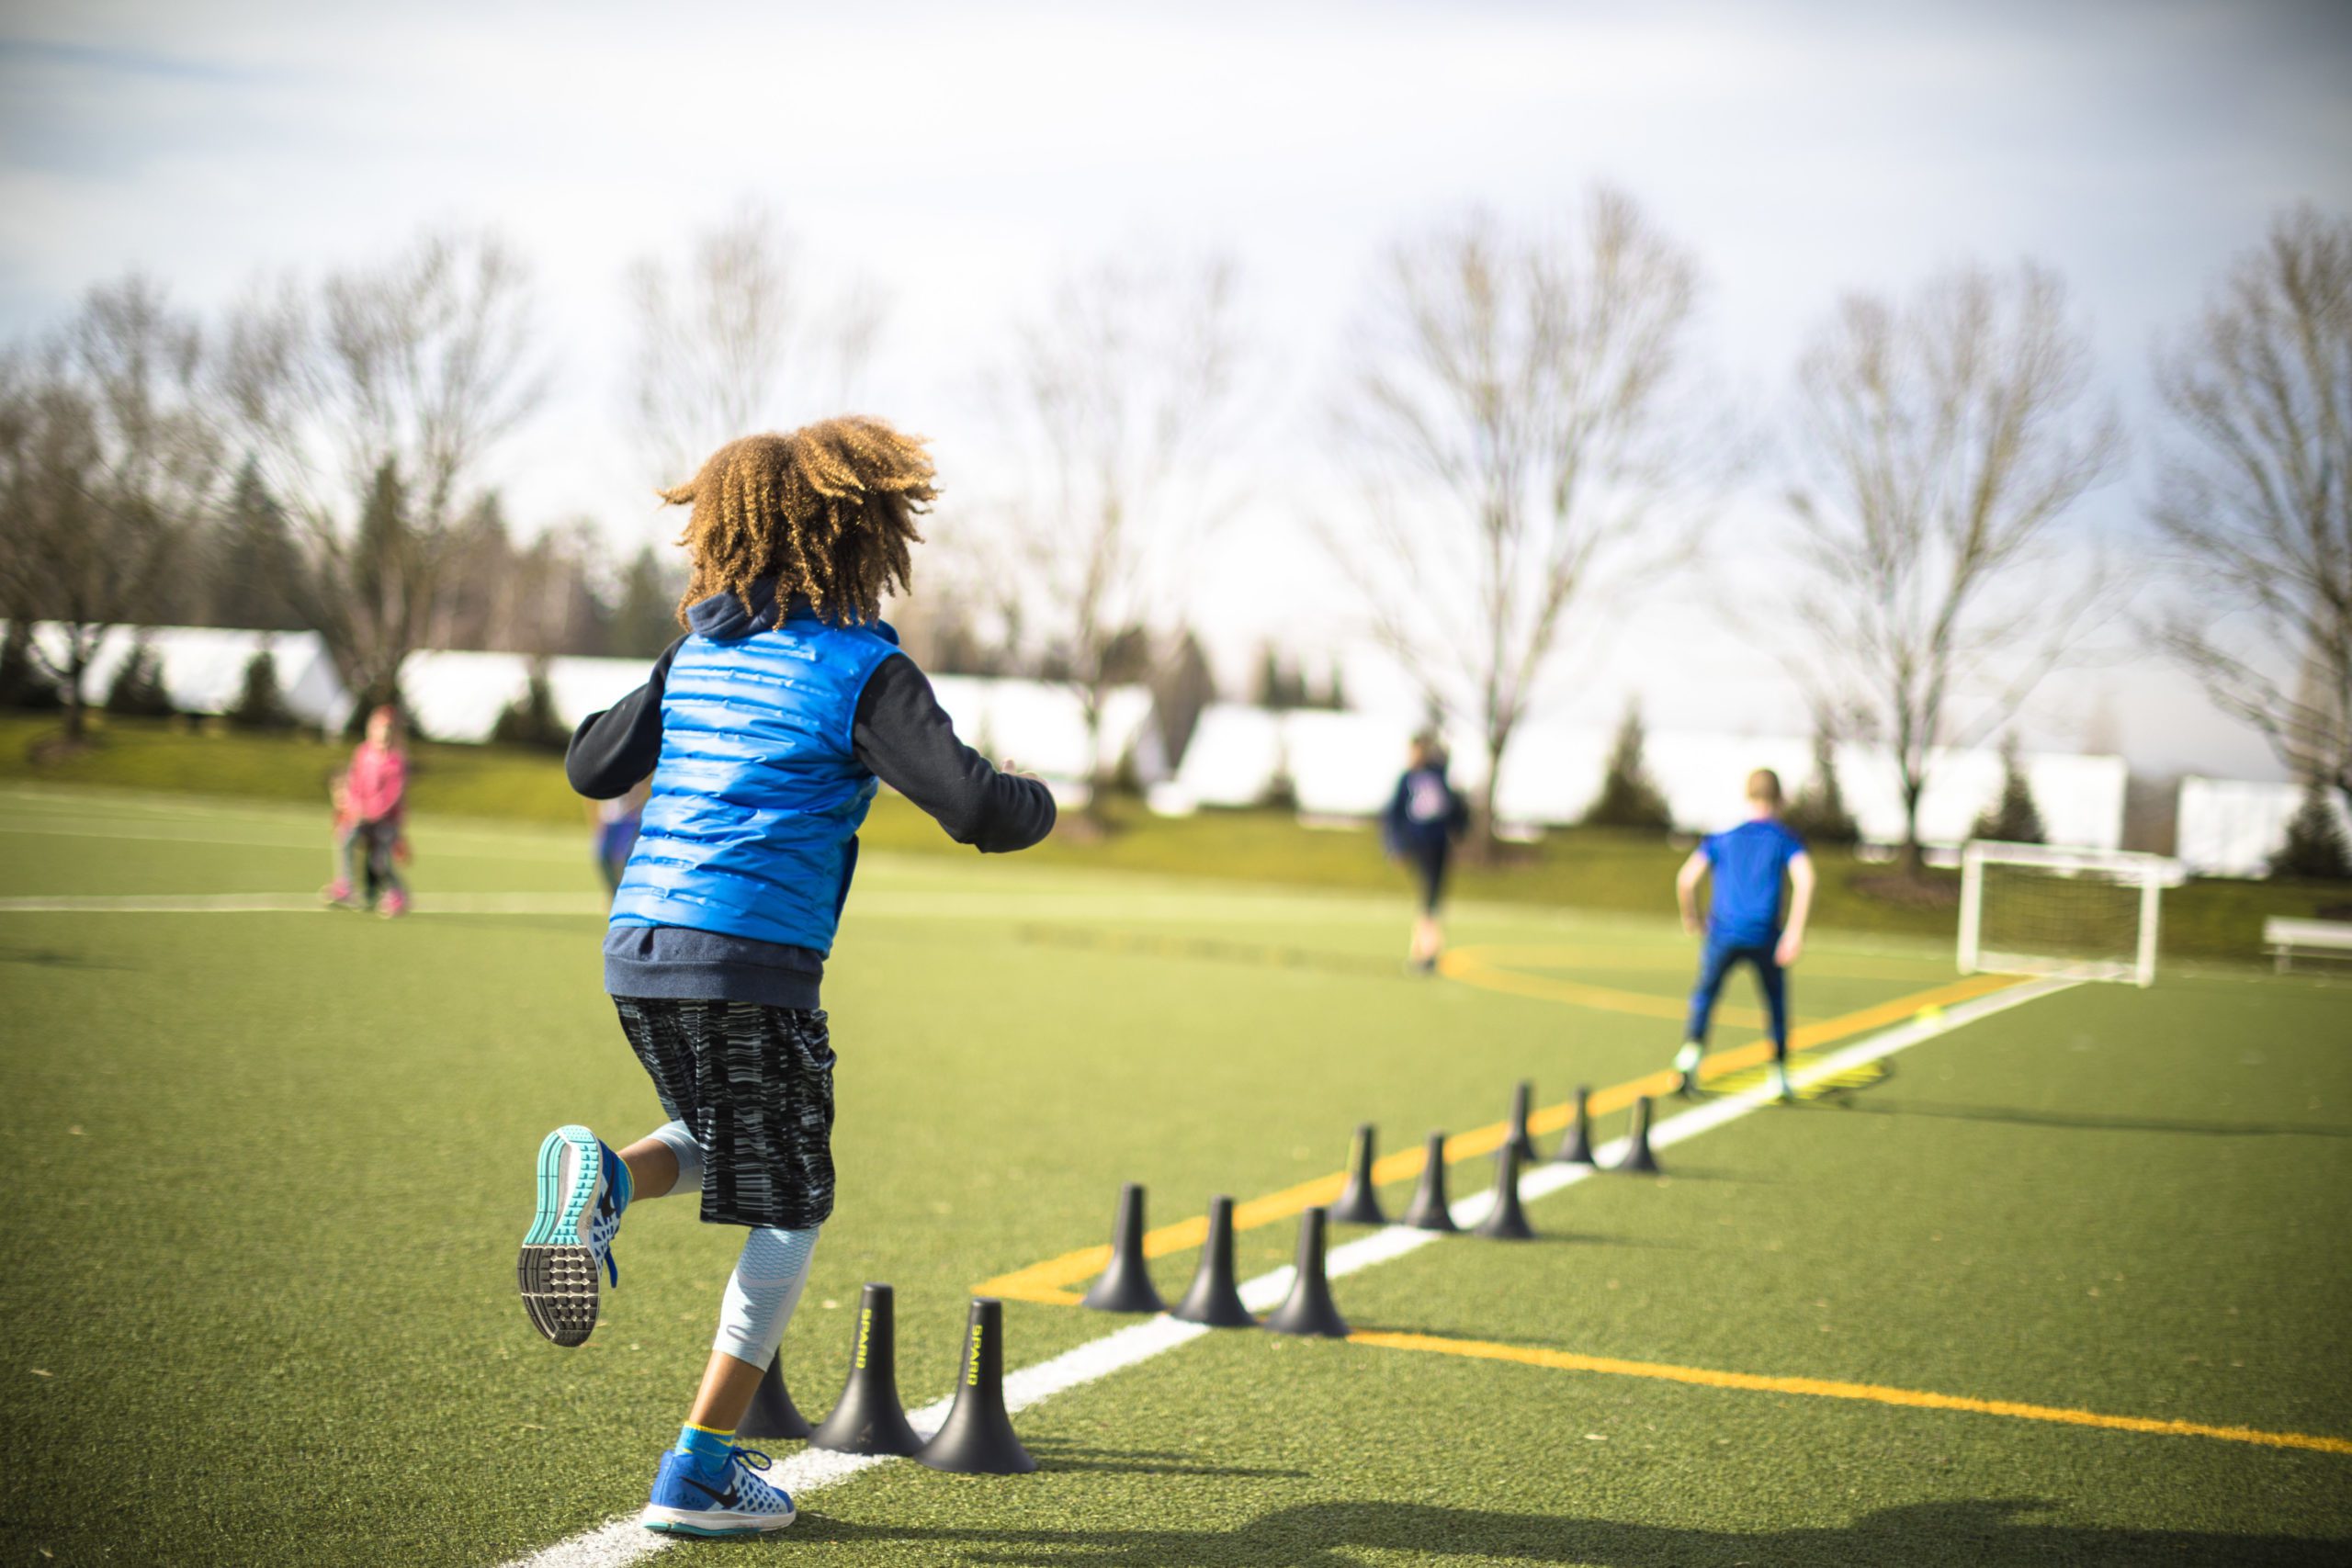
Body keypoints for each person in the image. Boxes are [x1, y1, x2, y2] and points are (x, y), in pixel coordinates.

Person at [524, 418, 1056, 1540]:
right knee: (794, 1208)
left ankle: (604, 1187)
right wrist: (1035, 800)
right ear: (866, 536)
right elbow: (968, 806)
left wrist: (674, 671)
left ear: (727, 531)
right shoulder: (863, 667)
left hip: (638, 953)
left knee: (724, 1135)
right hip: (752, 962)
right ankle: (700, 1468)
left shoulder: (699, 650)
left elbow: (589, 763)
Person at [1673, 767, 1814, 1101]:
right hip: (1766, 935)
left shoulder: (1722, 838)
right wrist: (1794, 933)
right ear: (1780, 798)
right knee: (1775, 1003)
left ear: (1747, 795)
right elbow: (1806, 880)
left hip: (1723, 933)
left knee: (1705, 997)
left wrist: (1691, 918)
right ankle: (1778, 1073)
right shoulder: (1784, 839)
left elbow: (1686, 880)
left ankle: (1689, 1058)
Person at [1382, 732, 1469, 972]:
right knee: (1428, 897)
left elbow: (1455, 807)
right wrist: (1396, 845)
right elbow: (1393, 815)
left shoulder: (1438, 776)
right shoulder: (1408, 779)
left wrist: (1459, 830)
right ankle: (1426, 951)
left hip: (1439, 843)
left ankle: (1424, 951)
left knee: (1431, 897)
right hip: (1418, 844)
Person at [323, 705, 409, 918]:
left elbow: (393, 795)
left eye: (388, 728)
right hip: (362, 818)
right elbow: (355, 784)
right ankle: (346, 885)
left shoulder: (396, 762)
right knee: (347, 837)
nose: (384, 733)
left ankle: (397, 893)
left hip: (386, 822)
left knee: (379, 862)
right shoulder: (363, 753)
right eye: (380, 728)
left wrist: (373, 812)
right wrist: (354, 807)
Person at [590, 777, 650, 897]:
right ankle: (615, 893)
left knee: (627, 858)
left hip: (630, 818)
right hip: (609, 819)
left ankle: (629, 894)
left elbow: (648, 781)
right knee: (602, 857)